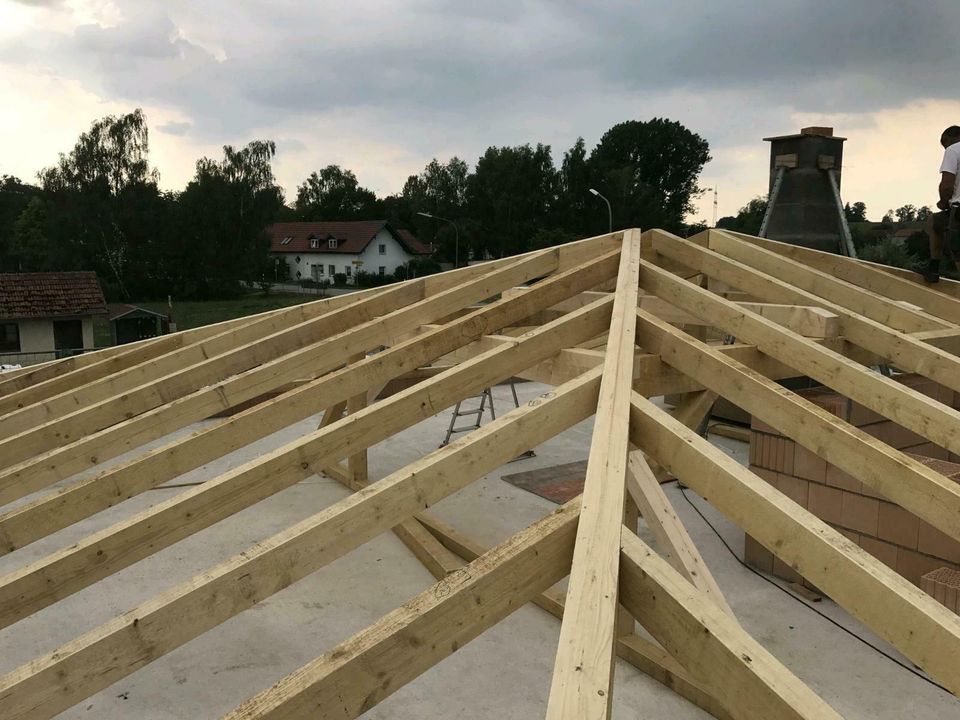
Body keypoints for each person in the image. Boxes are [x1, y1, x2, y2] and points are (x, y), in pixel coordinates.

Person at [923, 125, 960, 282]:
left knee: (958, 251)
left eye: (945, 144)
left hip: (959, 210)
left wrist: (944, 202)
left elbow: (946, 186)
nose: (945, 148)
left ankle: (933, 269)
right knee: (935, 221)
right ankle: (933, 268)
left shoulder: (953, 150)